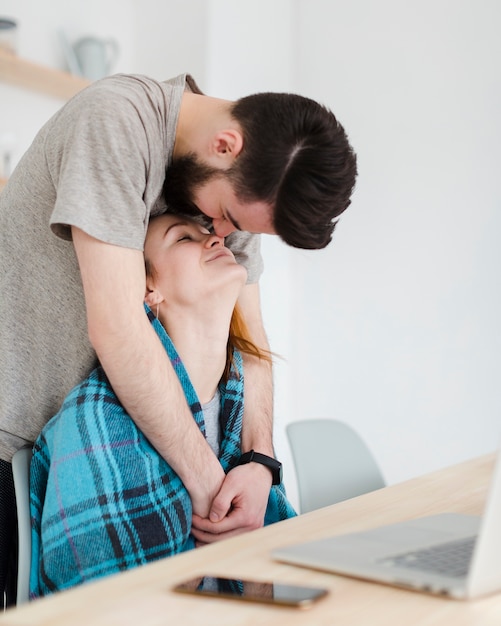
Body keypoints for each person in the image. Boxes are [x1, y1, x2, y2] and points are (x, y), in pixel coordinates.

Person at [0, 72, 357, 604]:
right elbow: (119, 328)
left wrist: (260, 463)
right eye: (228, 217)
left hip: (128, 432)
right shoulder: (116, 123)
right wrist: (212, 487)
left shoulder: (238, 186)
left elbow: (253, 335)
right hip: (21, 434)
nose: (222, 233)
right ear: (225, 145)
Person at [29, 213, 296, 597]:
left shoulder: (241, 413)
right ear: (148, 291)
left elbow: (265, 594)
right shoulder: (95, 424)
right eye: (184, 238)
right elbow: (97, 608)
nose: (215, 240)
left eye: (209, 232)